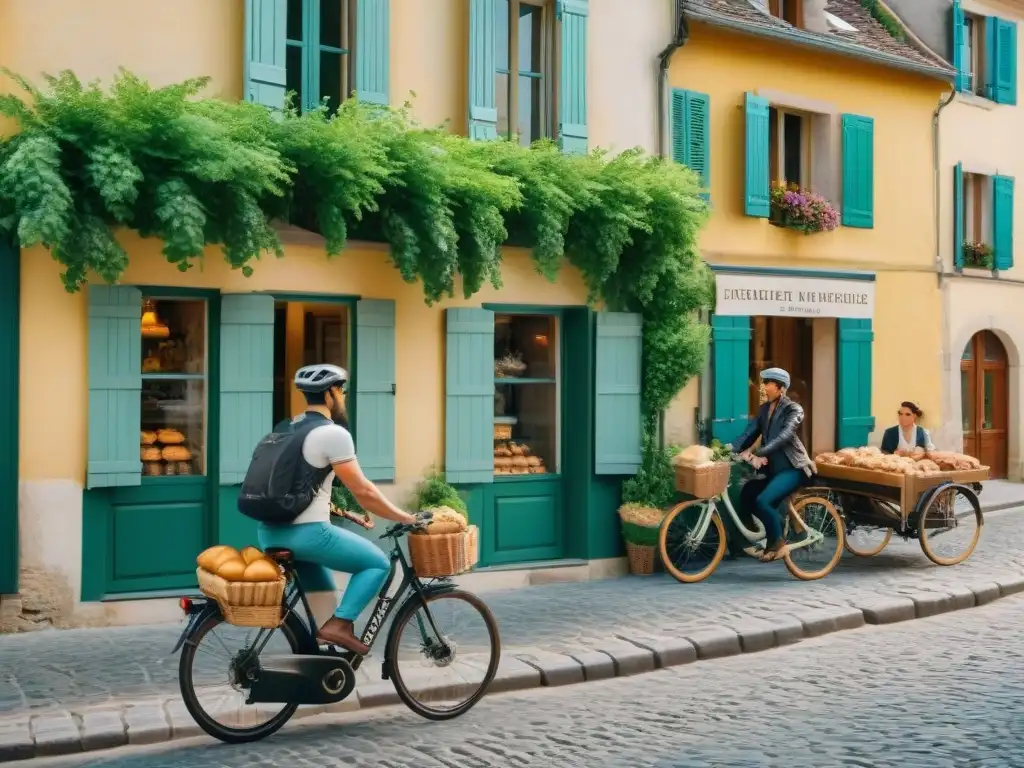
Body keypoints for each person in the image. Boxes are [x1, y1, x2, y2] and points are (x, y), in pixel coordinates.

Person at [255, 364, 417, 655]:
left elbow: (294, 486)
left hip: (270, 533)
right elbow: (364, 491)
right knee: (377, 564)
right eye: (342, 390)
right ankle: (340, 626)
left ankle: (322, 660)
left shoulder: (286, 427)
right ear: (332, 393)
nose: (343, 396)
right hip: (308, 535)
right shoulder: (333, 434)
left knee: (325, 594)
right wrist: (406, 517)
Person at [735, 367, 816, 562]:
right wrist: (729, 449)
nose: (763, 387)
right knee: (747, 494)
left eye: (767, 383)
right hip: (774, 471)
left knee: (763, 501)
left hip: (794, 469)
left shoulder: (794, 409)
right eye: (763, 383)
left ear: (780, 388)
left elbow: (784, 436)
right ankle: (775, 529)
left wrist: (759, 453)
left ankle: (778, 543)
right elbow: (749, 434)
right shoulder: (764, 410)